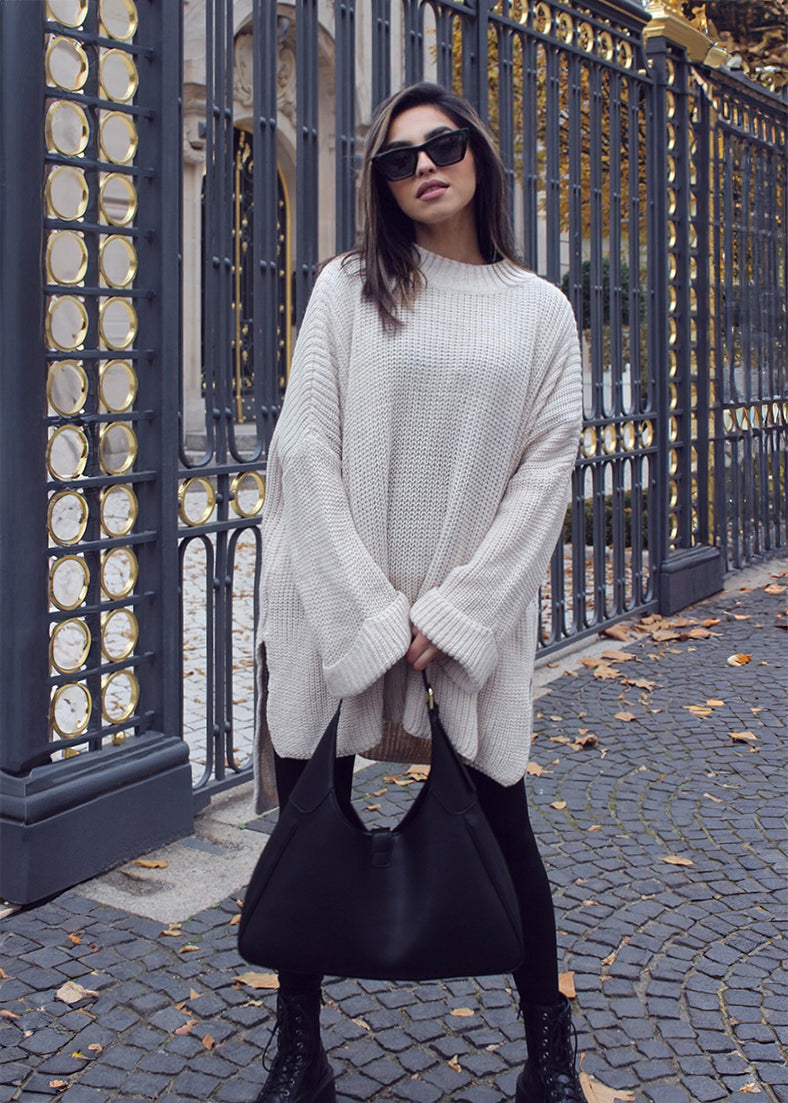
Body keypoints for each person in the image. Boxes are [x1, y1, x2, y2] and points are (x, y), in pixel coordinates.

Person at [253, 81, 585, 1103]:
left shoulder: (539, 309)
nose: (424, 168)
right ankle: (299, 1048)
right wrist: (365, 613)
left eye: (441, 145)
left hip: (460, 621)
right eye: (398, 159)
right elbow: (305, 450)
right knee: (312, 823)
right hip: (331, 604)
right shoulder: (346, 288)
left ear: (477, 151)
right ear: (381, 184)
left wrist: (458, 613)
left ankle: (549, 1051)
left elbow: (546, 469)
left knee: (504, 825)